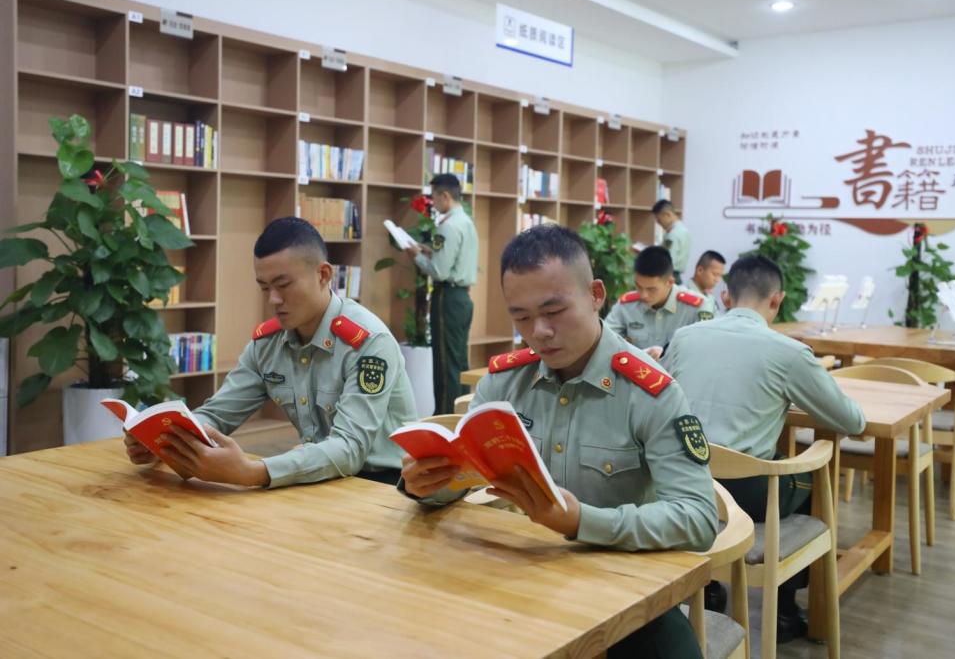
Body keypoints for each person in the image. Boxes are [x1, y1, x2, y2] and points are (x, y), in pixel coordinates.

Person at [400, 225, 718, 659]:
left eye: (554, 310)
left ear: (596, 294)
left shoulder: (650, 392)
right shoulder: (505, 381)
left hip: (622, 582)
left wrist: (580, 521)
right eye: (521, 317)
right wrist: (429, 487)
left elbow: (698, 519)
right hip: (518, 573)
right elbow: (467, 475)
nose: (540, 332)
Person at [123, 217, 417, 488]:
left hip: (379, 487)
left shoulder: (368, 342)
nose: (274, 300)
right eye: (264, 288)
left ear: (324, 274)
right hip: (315, 479)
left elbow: (349, 448)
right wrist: (165, 440)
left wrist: (253, 471)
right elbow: (217, 413)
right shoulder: (268, 343)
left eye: (283, 285)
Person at [664, 255, 865, 642]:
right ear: (777, 300)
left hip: (681, 483)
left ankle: (707, 589)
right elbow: (851, 421)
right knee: (806, 476)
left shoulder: (685, 338)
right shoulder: (788, 352)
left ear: (725, 295)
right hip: (748, 495)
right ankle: (785, 609)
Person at [406, 173, 479, 414]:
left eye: (434, 197)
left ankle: (445, 419)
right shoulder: (466, 222)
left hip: (447, 298)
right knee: (458, 361)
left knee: (445, 364)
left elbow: (438, 271)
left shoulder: (447, 227)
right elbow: (454, 260)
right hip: (463, 298)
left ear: (445, 196)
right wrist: (428, 251)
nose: (433, 203)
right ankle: (461, 414)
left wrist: (415, 255)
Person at [605, 246, 712, 360]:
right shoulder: (626, 305)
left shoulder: (697, 307)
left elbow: (706, 348)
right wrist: (633, 353)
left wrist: (669, 353)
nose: (643, 295)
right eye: (638, 286)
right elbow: (605, 339)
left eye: (651, 289)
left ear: (670, 282)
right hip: (637, 372)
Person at [652, 199, 690, 284]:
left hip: (669, 276)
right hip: (676, 275)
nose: (659, 224)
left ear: (667, 214)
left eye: (659, 220)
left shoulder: (672, 234)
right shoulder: (683, 230)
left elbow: (668, 259)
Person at [690, 250, 727, 315]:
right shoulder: (683, 295)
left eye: (720, 276)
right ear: (700, 270)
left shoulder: (710, 298)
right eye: (715, 274)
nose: (717, 280)